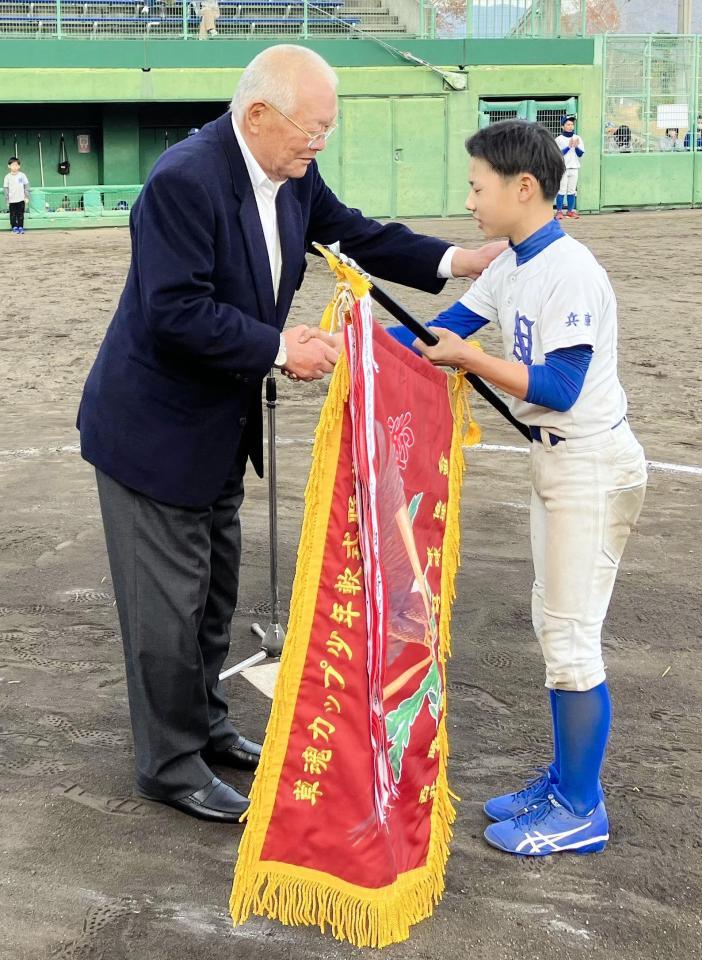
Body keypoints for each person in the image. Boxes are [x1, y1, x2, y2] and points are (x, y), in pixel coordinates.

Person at [77, 44, 505, 825]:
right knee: (165, 611)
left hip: (216, 428)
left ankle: (203, 725)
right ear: (258, 115)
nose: (319, 145)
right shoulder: (184, 180)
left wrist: (460, 259)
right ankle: (168, 765)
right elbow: (173, 312)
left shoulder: (291, 175)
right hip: (153, 432)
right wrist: (281, 347)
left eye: (326, 131)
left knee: (210, 596)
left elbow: (358, 236)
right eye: (311, 129)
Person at [389, 119, 647, 857]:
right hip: (559, 464)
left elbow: (560, 386)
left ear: (522, 187)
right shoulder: (511, 264)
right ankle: (565, 779)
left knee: (570, 639)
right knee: (551, 624)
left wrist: (469, 360)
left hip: (590, 463)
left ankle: (578, 806)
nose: (469, 200)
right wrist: (355, 348)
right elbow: (439, 329)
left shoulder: (571, 270)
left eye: (477, 186)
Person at [553, 115, 584, 220]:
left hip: (574, 167)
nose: (571, 126)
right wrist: (568, 147)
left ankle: (570, 211)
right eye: (568, 124)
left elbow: (580, 154)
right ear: (562, 126)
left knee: (572, 191)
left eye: (572, 124)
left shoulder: (577, 138)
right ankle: (559, 211)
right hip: (563, 168)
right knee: (561, 190)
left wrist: (575, 147)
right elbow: (557, 154)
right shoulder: (559, 139)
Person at [4, 156, 29, 234]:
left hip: (21, 199)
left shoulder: (22, 175)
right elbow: (6, 189)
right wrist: (7, 200)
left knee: (20, 214)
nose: (14, 167)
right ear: (9, 166)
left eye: (16, 165)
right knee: (12, 215)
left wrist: (26, 197)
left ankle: (21, 227)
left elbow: (26, 186)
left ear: (19, 166)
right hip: (12, 200)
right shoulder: (7, 177)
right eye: (12, 165)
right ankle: (14, 227)